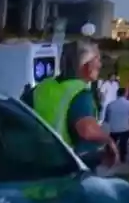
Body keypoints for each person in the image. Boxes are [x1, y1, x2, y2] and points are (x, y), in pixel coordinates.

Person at [31, 38, 119, 168]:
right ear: (86, 66)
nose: (100, 65)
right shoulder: (80, 93)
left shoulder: (42, 87)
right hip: (66, 165)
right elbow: (87, 130)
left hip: (38, 161)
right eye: (97, 60)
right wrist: (108, 140)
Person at [102, 87, 129, 162]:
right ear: (125, 94)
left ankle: (110, 154)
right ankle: (122, 157)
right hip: (125, 128)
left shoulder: (110, 104)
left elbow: (107, 119)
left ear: (117, 94)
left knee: (112, 141)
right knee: (123, 142)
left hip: (113, 129)